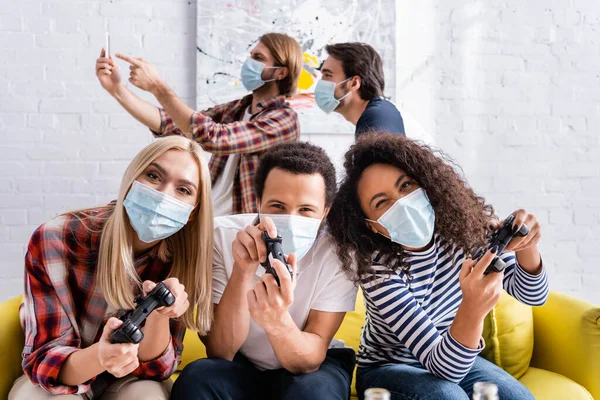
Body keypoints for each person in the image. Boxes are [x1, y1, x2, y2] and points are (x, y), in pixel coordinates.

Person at [327, 134, 549, 400]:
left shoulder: (462, 232)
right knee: (448, 397)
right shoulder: (377, 270)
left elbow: (534, 295)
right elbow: (445, 370)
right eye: (382, 202)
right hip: (389, 368)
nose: (402, 203)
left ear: (426, 184)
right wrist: (473, 308)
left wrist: (527, 247)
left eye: (406, 185)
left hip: (456, 355)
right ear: (372, 226)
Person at [9, 137, 214, 399]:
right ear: (131, 180)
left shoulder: (183, 259)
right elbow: (44, 362)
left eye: (183, 190)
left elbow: (156, 369)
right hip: (61, 379)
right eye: (153, 175)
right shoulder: (56, 237)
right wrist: (100, 357)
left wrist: (160, 315)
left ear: (193, 212)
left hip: (129, 383)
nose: (164, 195)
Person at [171, 142, 358, 400]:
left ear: (325, 212)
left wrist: (277, 321)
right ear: (258, 203)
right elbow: (221, 351)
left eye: (306, 210)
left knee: (313, 393)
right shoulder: (220, 237)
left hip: (312, 365)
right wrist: (242, 270)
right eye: (278, 206)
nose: (291, 219)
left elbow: (309, 359)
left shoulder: (340, 253)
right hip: (242, 362)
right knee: (197, 377)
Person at [95, 33, 303, 216]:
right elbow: (173, 125)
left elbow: (214, 138)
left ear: (280, 73)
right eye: (250, 56)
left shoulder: (285, 120)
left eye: (258, 58)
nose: (249, 63)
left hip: (243, 226)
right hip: (208, 219)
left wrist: (158, 87)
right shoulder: (237, 109)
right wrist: (117, 89)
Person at [315, 42, 405, 137]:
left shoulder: (377, 120)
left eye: (328, 75)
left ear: (354, 83)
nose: (321, 82)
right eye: (322, 76)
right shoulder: (378, 114)